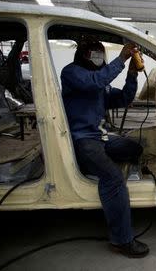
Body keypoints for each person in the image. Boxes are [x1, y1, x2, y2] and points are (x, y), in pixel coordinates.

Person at [61, 38, 149, 258]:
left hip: (101, 138)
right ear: (83, 54)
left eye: (102, 53)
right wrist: (121, 60)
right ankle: (122, 241)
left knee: (135, 148)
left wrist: (132, 74)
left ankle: (103, 172)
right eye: (95, 53)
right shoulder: (72, 73)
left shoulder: (100, 81)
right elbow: (94, 82)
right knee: (114, 178)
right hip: (83, 141)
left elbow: (123, 98)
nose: (100, 57)